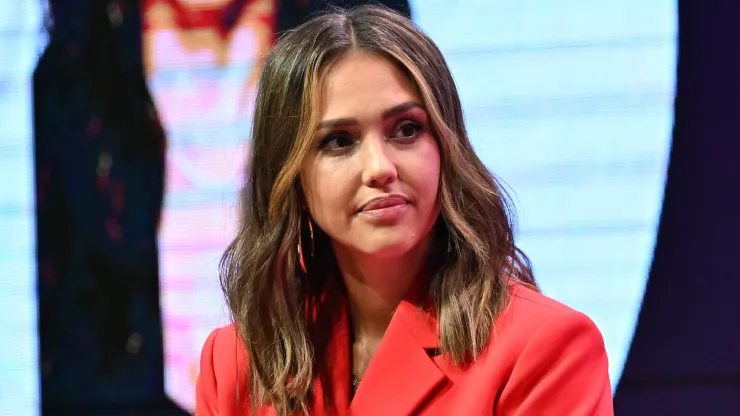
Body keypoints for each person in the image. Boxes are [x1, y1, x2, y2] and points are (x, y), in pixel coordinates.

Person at [196, 5, 613, 416]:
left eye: (407, 130)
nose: (379, 168)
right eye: (339, 141)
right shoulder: (235, 365)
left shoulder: (544, 350)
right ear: (291, 176)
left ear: (447, 150)